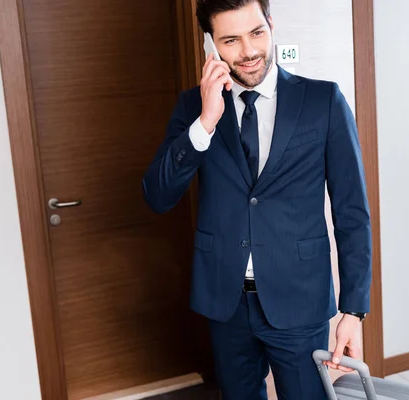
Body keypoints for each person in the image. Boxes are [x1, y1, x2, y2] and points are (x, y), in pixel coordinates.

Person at [142, 0, 372, 398]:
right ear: (210, 46)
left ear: (271, 24)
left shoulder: (323, 102)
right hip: (224, 302)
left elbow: (352, 213)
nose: (248, 51)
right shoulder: (192, 108)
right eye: (231, 40)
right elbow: (157, 196)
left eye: (257, 33)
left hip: (299, 299)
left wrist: (353, 310)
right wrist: (205, 123)